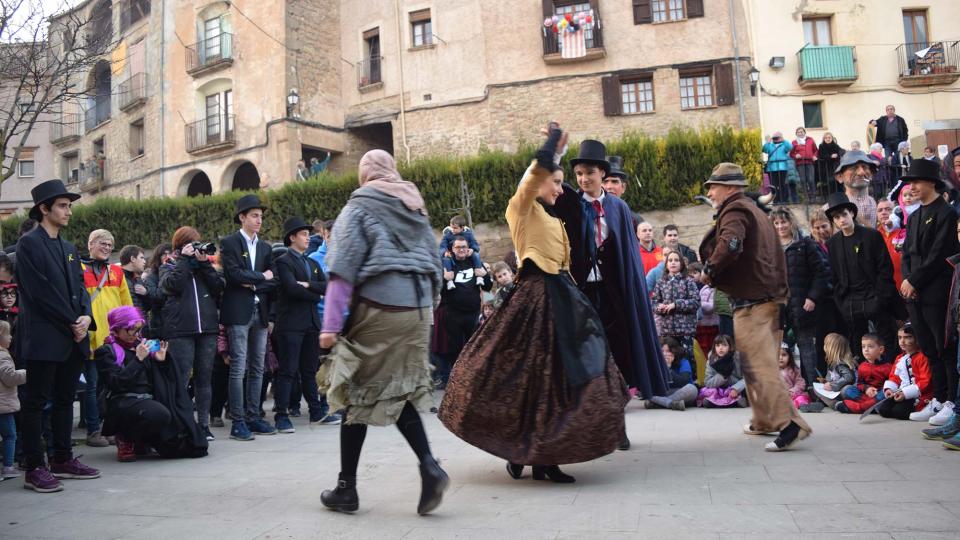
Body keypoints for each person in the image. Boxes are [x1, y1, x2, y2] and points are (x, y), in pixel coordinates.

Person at [439, 125, 628, 485]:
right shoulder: (521, 208)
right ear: (538, 182)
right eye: (556, 182)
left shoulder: (554, 218)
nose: (560, 188)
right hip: (535, 298)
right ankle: (525, 452)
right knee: (529, 379)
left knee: (554, 380)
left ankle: (538, 454)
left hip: (561, 297)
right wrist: (553, 147)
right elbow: (533, 174)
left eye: (560, 183)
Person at [317, 149, 448, 515]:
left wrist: (329, 327)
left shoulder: (357, 209)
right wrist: (426, 311)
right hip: (420, 311)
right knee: (395, 390)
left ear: (364, 176)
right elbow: (435, 266)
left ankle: (348, 489)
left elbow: (341, 272)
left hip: (381, 309)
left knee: (351, 389)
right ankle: (427, 466)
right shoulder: (415, 208)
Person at [553, 139, 668, 447]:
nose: (583, 179)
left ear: (602, 174)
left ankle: (617, 427)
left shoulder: (619, 208)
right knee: (586, 360)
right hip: (581, 293)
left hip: (614, 294)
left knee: (617, 359)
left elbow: (627, 256)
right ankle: (587, 425)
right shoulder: (568, 203)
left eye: (589, 172)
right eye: (578, 173)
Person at [699, 162, 812, 451]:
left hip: (755, 304)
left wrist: (710, 270)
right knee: (753, 366)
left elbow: (731, 243)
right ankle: (763, 420)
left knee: (760, 367)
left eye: (713, 186)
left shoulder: (735, 210)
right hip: (765, 300)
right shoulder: (756, 211)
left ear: (730, 188)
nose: (710, 192)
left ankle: (791, 425)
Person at [17, 179, 99, 492]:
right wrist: (71, 320)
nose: (69, 212)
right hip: (44, 336)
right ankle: (35, 466)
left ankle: (63, 458)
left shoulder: (68, 247)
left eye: (69, 206)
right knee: (36, 402)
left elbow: (80, 287)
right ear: (44, 208)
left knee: (66, 399)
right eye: (63, 205)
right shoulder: (29, 243)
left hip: (73, 335)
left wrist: (86, 316)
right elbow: (39, 291)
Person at [95, 306, 207, 461]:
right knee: (159, 414)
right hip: (123, 402)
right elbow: (116, 383)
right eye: (131, 330)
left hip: (149, 399)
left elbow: (161, 378)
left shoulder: (141, 346)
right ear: (117, 328)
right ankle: (126, 438)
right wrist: (138, 360)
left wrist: (161, 361)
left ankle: (141, 440)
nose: (135, 334)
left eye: (138, 330)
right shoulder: (106, 351)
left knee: (182, 444)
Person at [900, 158, 959, 422]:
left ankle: (951, 401)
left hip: (937, 290)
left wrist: (915, 280)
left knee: (943, 346)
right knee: (928, 347)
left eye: (915, 182)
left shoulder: (947, 213)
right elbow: (907, 254)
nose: (911, 187)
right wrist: (907, 280)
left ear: (931, 182)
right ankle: (937, 397)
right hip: (915, 293)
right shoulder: (913, 216)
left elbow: (939, 255)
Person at [220, 194, 279, 441]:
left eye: (261, 216)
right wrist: (261, 277)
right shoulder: (230, 242)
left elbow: (274, 279)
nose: (259, 220)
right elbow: (233, 275)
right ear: (242, 217)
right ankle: (238, 420)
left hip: (260, 312)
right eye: (254, 215)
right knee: (238, 367)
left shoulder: (266, 247)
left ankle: (254, 416)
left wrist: (253, 282)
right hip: (238, 312)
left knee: (258, 367)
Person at [159, 227, 224, 441]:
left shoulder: (203, 267)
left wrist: (204, 264)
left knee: (204, 379)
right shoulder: (169, 265)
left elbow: (217, 287)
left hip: (207, 329)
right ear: (180, 246)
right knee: (181, 378)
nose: (197, 247)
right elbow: (171, 286)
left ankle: (203, 425)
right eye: (192, 243)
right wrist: (184, 261)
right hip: (180, 331)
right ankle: (183, 424)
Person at [824, 192, 900, 362]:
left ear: (851, 213)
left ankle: (890, 373)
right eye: (836, 217)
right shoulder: (833, 243)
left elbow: (884, 269)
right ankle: (864, 376)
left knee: (885, 338)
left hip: (874, 296)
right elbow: (834, 275)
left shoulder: (871, 236)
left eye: (844, 214)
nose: (841, 219)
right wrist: (841, 301)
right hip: (851, 300)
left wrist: (880, 299)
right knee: (858, 343)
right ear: (834, 221)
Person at [272, 217, 329, 433]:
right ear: (292, 237)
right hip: (291, 324)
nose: (307, 237)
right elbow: (290, 288)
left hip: (311, 323)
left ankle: (316, 411)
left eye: (307, 234)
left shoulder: (312, 263)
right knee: (287, 371)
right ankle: (281, 415)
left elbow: (325, 287)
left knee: (310, 370)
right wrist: (314, 294)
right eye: (303, 234)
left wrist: (308, 285)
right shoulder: (283, 261)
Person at [81, 229, 133, 448]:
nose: (106, 247)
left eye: (110, 245)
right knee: (91, 386)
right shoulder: (78, 269)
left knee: (113, 387)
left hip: (112, 341)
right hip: (90, 338)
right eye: (102, 243)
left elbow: (126, 304)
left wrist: (132, 329)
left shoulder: (117, 273)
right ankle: (93, 430)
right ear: (90, 243)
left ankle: (110, 429)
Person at [772, 207, 830, 387]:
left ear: (791, 222)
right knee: (777, 350)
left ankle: (813, 388)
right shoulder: (770, 248)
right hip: (779, 308)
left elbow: (821, 273)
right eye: (776, 223)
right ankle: (782, 389)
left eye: (784, 222)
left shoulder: (805, 244)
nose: (780, 226)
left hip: (802, 306)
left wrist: (812, 297)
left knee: (807, 349)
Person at [433, 235, 493, 386]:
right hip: (452, 315)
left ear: (468, 248)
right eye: (458, 247)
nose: (461, 250)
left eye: (464, 247)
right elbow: (438, 291)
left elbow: (487, 287)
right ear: (452, 249)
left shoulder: (475, 262)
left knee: (474, 347)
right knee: (455, 350)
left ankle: (475, 379)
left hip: (472, 314)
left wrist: (485, 275)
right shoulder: (446, 265)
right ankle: (458, 381)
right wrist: (445, 278)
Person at [879, 324, 932, 421]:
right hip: (901, 392)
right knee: (883, 410)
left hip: (919, 394)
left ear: (917, 338)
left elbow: (926, 381)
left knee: (899, 412)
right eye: (900, 338)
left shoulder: (923, 357)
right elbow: (894, 377)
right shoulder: (899, 358)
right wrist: (889, 389)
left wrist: (905, 393)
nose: (902, 341)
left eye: (908, 337)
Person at [651, 251, 700, 352]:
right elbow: (654, 302)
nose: (673, 263)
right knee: (669, 360)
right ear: (666, 264)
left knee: (688, 359)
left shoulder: (688, 281)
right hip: (667, 331)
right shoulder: (661, 282)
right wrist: (659, 307)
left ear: (681, 263)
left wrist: (676, 304)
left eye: (676, 260)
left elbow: (696, 302)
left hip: (685, 331)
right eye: (670, 260)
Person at [836, 334, 891, 414]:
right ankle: (872, 407)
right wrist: (867, 389)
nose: (866, 350)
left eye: (870, 346)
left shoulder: (888, 367)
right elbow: (860, 384)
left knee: (884, 394)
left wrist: (877, 391)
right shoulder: (862, 366)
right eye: (863, 347)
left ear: (881, 349)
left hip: (878, 394)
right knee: (847, 389)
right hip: (866, 395)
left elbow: (890, 385)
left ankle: (860, 407)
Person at [640, 337, 697, 411]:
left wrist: (668, 368)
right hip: (665, 392)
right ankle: (671, 404)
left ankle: (659, 403)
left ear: (675, 351)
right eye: (662, 351)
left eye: (668, 351)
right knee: (646, 390)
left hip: (681, 392)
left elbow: (683, 382)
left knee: (692, 388)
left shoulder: (684, 362)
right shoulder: (656, 363)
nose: (665, 354)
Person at [827, 150, 879, 228]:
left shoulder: (880, 207)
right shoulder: (830, 208)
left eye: (865, 167)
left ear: (871, 175)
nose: (861, 172)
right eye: (853, 168)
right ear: (840, 177)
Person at [0, 321, 25, 480]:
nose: (11, 338)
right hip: (4, 406)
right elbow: (9, 377)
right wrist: (27, 373)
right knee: (10, 435)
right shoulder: (2, 355)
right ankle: (8, 466)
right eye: (8, 334)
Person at [808, 333, 857, 411]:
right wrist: (825, 381)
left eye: (826, 345)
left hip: (842, 390)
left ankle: (835, 404)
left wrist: (832, 385)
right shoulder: (832, 362)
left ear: (831, 349)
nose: (824, 347)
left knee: (847, 389)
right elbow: (834, 378)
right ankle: (832, 402)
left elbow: (848, 377)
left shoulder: (840, 364)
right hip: (835, 391)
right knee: (813, 389)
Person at [698, 335, 746, 408]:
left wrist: (736, 388)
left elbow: (748, 378)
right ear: (714, 348)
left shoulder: (737, 358)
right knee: (708, 398)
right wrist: (723, 375)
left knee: (748, 389)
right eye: (717, 345)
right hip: (719, 389)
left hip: (735, 387)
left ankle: (738, 400)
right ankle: (733, 403)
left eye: (724, 345)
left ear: (730, 347)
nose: (721, 348)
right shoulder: (711, 361)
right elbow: (707, 382)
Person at [439, 216, 486, 288]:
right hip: (452, 255)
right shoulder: (448, 235)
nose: (452, 230)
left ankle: (479, 276)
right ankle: (449, 281)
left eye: (455, 228)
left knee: (476, 255)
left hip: (467, 254)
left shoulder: (468, 234)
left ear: (462, 227)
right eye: (451, 227)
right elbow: (442, 245)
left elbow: (474, 244)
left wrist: (472, 249)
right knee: (446, 260)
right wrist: (445, 252)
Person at [602, 155, 644, 225]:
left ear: (623, 188)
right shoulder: (590, 217)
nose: (609, 186)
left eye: (614, 181)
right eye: (605, 181)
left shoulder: (635, 221)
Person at [143, 243, 172, 339]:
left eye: (170, 253)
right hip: (160, 324)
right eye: (164, 254)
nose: (167, 257)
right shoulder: (151, 277)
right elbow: (156, 298)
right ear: (158, 257)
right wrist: (164, 274)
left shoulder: (178, 274)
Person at [876, 199, 903, 289]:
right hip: (883, 289)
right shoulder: (874, 235)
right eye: (880, 210)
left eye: (888, 209)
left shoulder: (905, 232)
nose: (883, 212)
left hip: (905, 287)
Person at [763, 132, 795, 204]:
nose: (776, 139)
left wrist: (783, 139)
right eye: (774, 138)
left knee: (783, 184)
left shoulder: (784, 145)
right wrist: (767, 142)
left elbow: (790, 147)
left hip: (782, 168)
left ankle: (784, 200)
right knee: (773, 185)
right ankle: (776, 200)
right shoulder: (770, 145)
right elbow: (764, 149)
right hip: (771, 168)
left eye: (777, 137)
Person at [875, 105, 909, 172]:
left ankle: (898, 173)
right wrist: (872, 122)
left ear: (894, 110)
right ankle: (889, 173)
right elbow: (874, 123)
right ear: (886, 111)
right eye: (888, 109)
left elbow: (905, 130)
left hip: (898, 141)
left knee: (898, 158)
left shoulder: (900, 119)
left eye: (891, 109)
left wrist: (904, 141)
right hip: (887, 142)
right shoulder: (882, 119)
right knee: (888, 158)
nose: (890, 111)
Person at [778, 344, 810, 409]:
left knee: (801, 398)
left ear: (789, 357)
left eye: (784, 355)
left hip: (791, 395)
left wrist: (793, 391)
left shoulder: (794, 369)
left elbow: (800, 383)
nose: (780, 358)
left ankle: (804, 406)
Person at [790, 127, 818, 201]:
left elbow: (816, 150)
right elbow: (791, 153)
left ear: (804, 132)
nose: (800, 133)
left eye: (801, 131)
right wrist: (795, 155)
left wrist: (815, 156)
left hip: (810, 162)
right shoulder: (794, 142)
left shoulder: (810, 139)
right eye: (798, 132)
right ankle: (806, 198)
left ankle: (813, 197)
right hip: (800, 163)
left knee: (811, 179)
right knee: (803, 180)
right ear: (796, 134)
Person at [119, 245, 149, 313]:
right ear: (132, 258)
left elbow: (147, 307)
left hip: (142, 322)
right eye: (141, 258)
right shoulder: (116, 279)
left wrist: (146, 294)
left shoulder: (138, 279)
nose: (145, 261)